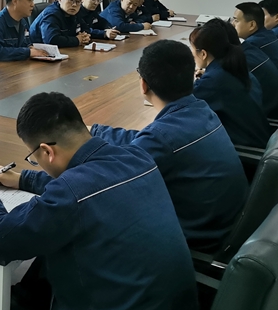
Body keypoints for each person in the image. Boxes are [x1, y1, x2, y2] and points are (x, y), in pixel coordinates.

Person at [0, 92, 202, 310]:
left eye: (33, 160)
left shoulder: (71, 194)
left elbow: (0, 238)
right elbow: (91, 179)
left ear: (46, 151)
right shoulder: (136, 156)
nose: (36, 164)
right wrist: (25, 178)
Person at [90, 40, 248, 251]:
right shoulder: (200, 110)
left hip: (195, 243)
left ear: (143, 84)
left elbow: (103, 182)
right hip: (224, 226)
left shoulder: (162, 138)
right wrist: (96, 132)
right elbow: (146, 141)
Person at [189, 21, 271, 149]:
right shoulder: (235, 68)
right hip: (258, 139)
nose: (192, 55)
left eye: (193, 50)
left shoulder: (213, 81)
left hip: (245, 150)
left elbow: (183, 104)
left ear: (203, 54)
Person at [221, 15, 278, 116]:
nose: (233, 23)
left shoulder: (243, 60)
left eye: (236, 20)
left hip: (270, 115)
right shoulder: (250, 49)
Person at [232, 2, 278, 98]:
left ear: (252, 25)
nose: (232, 24)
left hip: (276, 98)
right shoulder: (267, 35)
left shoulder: (253, 44)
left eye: (236, 20)